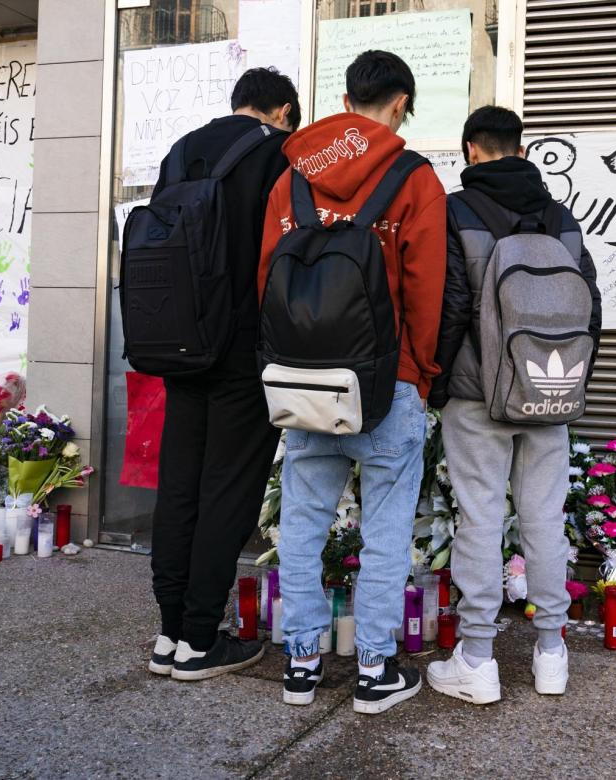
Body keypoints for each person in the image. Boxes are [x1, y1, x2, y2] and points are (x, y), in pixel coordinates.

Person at [257, 50, 446, 714]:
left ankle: (301, 665)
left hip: (305, 380)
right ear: (400, 102)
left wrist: (282, 363)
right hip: (387, 382)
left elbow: (267, 283)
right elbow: (426, 289)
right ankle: (373, 671)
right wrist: (419, 373)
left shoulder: (292, 179)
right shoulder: (414, 177)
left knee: (304, 526)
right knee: (387, 531)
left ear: (345, 99)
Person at [425, 106, 602, 703]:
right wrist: (569, 383)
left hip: (478, 396)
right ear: (519, 147)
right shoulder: (560, 216)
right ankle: (552, 652)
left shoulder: (457, 211)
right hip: (550, 395)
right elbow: (590, 309)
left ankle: (477, 658)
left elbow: (450, 306)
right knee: (545, 519)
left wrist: (438, 383)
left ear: (471, 149)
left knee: (478, 518)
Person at [147, 67, 300, 682]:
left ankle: (170, 633)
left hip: (179, 345)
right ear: (284, 110)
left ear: (236, 103)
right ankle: (203, 639)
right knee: (227, 491)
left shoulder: (182, 150)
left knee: (179, 485)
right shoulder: (279, 155)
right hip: (242, 351)